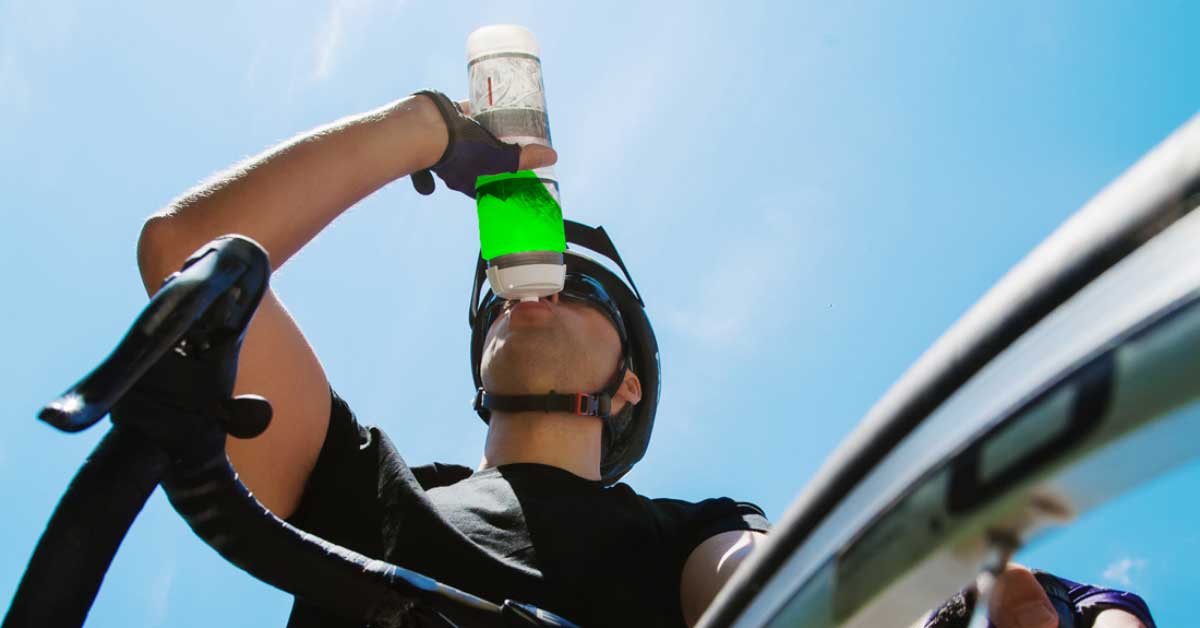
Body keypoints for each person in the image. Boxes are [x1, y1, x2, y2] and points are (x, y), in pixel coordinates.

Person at [134, 90, 1155, 628]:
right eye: (521, 285)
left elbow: (765, 593)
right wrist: (426, 130)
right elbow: (186, 255)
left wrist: (929, 601)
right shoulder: (364, 487)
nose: (539, 290)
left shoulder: (690, 533)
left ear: (624, 385)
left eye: (584, 291)